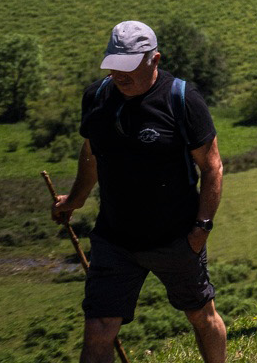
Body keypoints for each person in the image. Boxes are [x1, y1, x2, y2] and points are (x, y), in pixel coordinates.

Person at [52, 21, 227, 363]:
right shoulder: (97, 97)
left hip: (175, 238)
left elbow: (212, 167)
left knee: (200, 316)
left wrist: (201, 229)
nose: (120, 75)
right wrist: (74, 200)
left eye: (129, 67)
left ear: (155, 59)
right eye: (115, 66)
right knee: (100, 326)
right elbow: (91, 154)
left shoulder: (182, 99)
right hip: (114, 239)